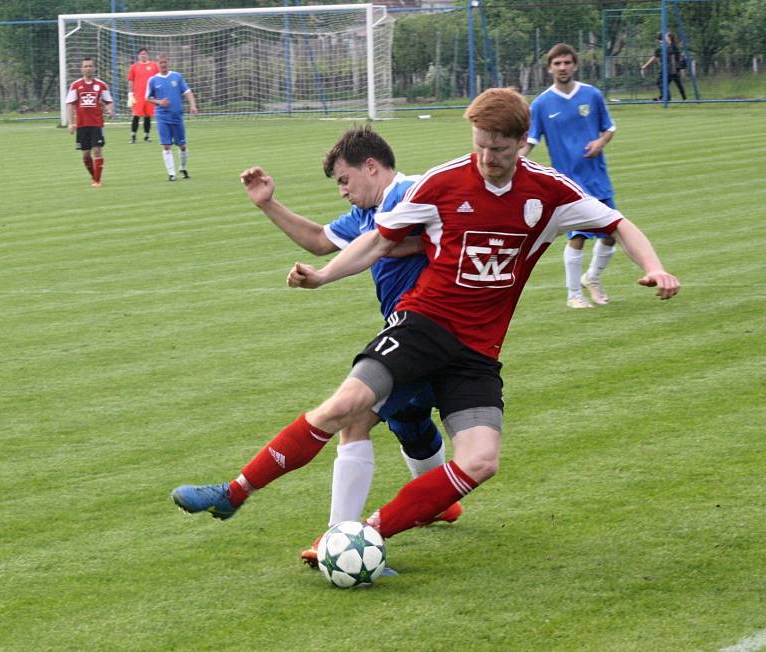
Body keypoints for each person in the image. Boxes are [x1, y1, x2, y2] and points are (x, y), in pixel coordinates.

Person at [172, 88, 680, 546]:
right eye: (480, 144)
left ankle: (369, 532)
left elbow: (618, 223)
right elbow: (376, 239)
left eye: (499, 148)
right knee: (346, 408)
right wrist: (324, 276)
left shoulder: (549, 192)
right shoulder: (442, 182)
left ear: (523, 142)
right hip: (422, 326)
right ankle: (238, 493)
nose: (487, 157)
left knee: (480, 460)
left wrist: (655, 268)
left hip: (479, 351)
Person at [239, 126, 462, 567]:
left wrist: (381, 244)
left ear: (372, 167)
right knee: (411, 424)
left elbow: (440, 239)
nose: (342, 192)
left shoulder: (415, 193)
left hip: (434, 333)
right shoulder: (368, 213)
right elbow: (322, 241)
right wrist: (268, 204)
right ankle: (437, 501)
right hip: (406, 333)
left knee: (354, 419)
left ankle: (335, 538)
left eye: (344, 180)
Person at [521, 43, 618, 309]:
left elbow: (608, 128)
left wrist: (600, 143)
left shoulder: (592, 95)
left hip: (597, 177)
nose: (562, 68)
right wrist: (513, 162)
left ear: (575, 65)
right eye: (557, 64)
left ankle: (593, 279)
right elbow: (530, 141)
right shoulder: (541, 104)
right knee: (578, 237)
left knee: (611, 233)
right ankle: (573, 295)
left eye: (567, 63)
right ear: (550, 68)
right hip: (569, 185)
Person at [146, 54, 198, 181]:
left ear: (168, 63)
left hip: (177, 117)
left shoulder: (177, 77)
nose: (163, 65)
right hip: (162, 117)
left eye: (165, 62)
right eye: (160, 62)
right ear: (157, 64)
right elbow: (147, 97)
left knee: (182, 145)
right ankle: (171, 173)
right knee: (166, 145)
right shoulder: (153, 80)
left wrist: (193, 105)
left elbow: (187, 92)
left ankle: (183, 167)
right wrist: (159, 102)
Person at [66, 57, 114, 188]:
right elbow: (70, 105)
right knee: (85, 154)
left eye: (90, 66)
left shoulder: (101, 85)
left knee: (97, 151)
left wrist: (110, 110)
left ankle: (97, 181)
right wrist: (70, 123)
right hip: (81, 124)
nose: (88, 68)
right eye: (85, 66)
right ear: (82, 69)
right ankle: (94, 176)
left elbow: (108, 101)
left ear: (94, 68)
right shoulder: (75, 85)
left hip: (96, 124)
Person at [641, 32, 687, 102]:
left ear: (669, 38)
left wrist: (673, 69)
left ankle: (667, 98)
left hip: (670, 69)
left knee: (661, 83)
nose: (665, 38)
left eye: (666, 36)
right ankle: (682, 98)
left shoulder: (670, 46)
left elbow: (672, 57)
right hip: (673, 69)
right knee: (674, 83)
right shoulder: (670, 46)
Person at [127, 48, 158, 144]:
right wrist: (130, 94)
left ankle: (146, 136)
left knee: (148, 116)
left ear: (147, 55)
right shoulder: (134, 67)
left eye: (144, 54)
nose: (143, 55)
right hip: (138, 96)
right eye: (141, 54)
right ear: (138, 56)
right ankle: (133, 136)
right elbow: (131, 81)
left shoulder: (154, 66)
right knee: (136, 116)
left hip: (150, 96)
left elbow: (157, 80)